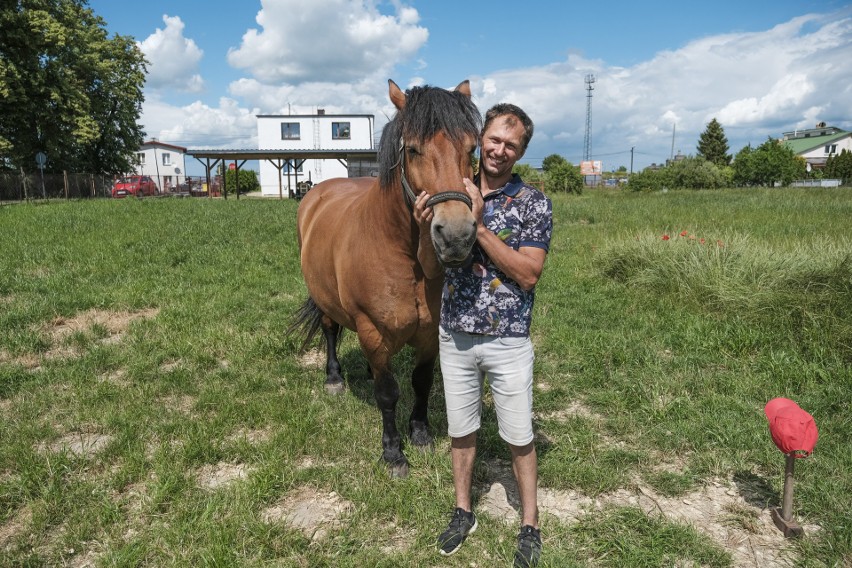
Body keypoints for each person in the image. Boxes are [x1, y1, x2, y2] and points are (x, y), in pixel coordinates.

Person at [414, 103, 553, 568]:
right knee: (461, 431)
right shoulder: (452, 192)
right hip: (454, 335)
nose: (499, 150)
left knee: (518, 434)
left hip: (507, 339)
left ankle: (529, 522)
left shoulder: (533, 203)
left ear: (520, 152)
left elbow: (528, 274)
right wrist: (424, 230)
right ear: (481, 139)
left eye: (510, 145)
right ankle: (463, 511)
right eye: (493, 139)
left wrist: (481, 223)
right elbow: (431, 270)